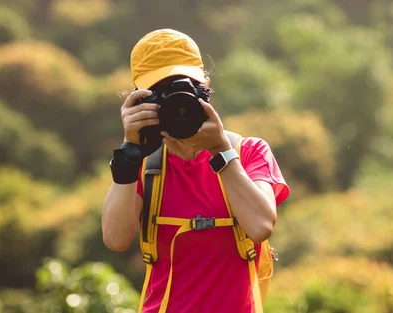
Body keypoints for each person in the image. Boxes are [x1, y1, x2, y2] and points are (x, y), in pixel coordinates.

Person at [101, 28, 290, 313]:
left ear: (206, 87)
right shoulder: (143, 167)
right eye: (162, 94)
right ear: (141, 101)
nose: (178, 105)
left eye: (186, 88)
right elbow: (115, 240)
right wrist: (129, 147)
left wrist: (220, 150)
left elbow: (261, 226)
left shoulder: (248, 152)